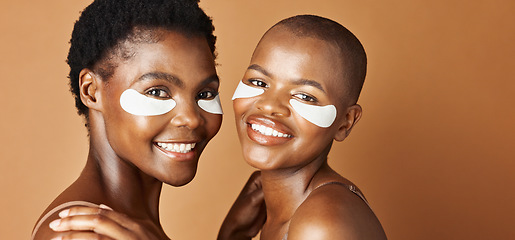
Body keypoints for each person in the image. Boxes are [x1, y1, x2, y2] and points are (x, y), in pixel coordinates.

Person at [32, 0, 265, 239]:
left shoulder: (128, 224)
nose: (191, 118)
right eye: (156, 91)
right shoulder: (86, 235)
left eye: (204, 94)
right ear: (91, 91)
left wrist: (233, 236)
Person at [230, 15, 387, 239]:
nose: (269, 105)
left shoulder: (321, 223)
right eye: (259, 82)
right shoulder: (292, 213)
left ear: (346, 122)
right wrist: (233, 235)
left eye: (305, 96)